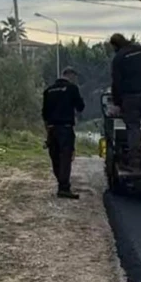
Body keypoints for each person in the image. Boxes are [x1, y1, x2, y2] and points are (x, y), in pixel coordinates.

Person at [108, 33, 141, 171]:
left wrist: (117, 103)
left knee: (133, 128)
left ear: (115, 45)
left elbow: (116, 83)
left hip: (130, 98)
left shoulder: (119, 58)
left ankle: (135, 162)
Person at [42, 67, 86, 199]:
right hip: (65, 128)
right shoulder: (72, 88)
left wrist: (48, 132)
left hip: (52, 128)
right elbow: (80, 107)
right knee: (65, 157)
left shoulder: (48, 91)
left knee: (55, 157)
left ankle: (61, 183)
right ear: (71, 75)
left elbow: (44, 114)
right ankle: (64, 188)